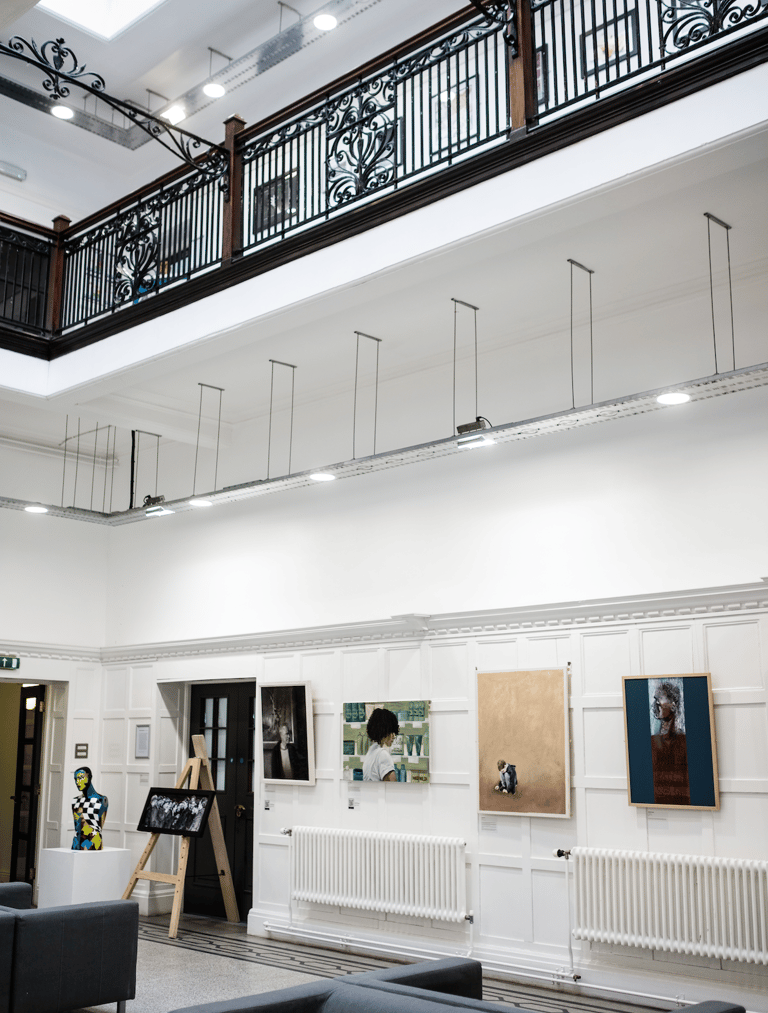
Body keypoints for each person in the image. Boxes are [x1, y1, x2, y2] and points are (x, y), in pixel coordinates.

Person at [650, 681, 690, 805]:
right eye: (655, 699)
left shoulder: (682, 739)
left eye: (660, 699)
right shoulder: (654, 739)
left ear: (673, 704)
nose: (656, 703)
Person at [71, 766, 108, 851]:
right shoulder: (75, 801)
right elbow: (77, 826)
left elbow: (99, 826)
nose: (77, 782)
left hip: (94, 845)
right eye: (75, 779)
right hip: (77, 845)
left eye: (80, 778)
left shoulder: (101, 800)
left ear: (89, 777)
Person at [362, 707, 399, 781]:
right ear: (385, 732)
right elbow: (393, 787)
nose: (394, 736)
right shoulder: (383, 755)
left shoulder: (371, 752)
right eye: (392, 732)